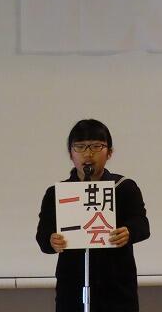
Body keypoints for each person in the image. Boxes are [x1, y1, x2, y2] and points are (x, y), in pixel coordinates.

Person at [36, 119, 150, 312]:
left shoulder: (124, 187)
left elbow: (142, 225)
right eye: (80, 147)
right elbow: (42, 237)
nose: (88, 154)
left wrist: (129, 232)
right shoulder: (57, 193)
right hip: (72, 287)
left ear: (109, 152)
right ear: (70, 154)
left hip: (116, 288)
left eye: (96, 146)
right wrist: (51, 240)